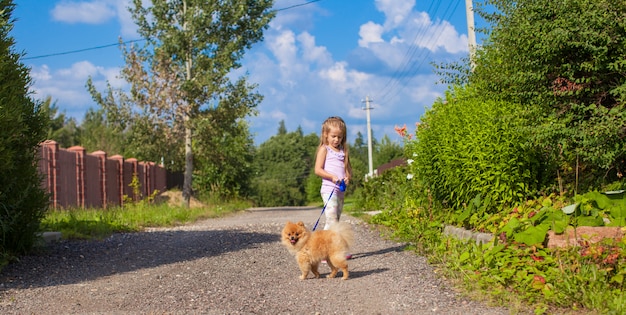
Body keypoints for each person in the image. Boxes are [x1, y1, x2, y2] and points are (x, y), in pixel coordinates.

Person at [314, 116, 353, 242]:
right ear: (326, 135)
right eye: (333, 136)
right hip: (329, 189)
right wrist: (331, 177)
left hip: (340, 190)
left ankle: (332, 249)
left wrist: (348, 178)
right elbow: (318, 169)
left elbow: (348, 169)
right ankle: (326, 248)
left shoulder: (343, 151)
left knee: (336, 220)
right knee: (332, 220)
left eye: (339, 137)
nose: (336, 140)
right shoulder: (324, 149)